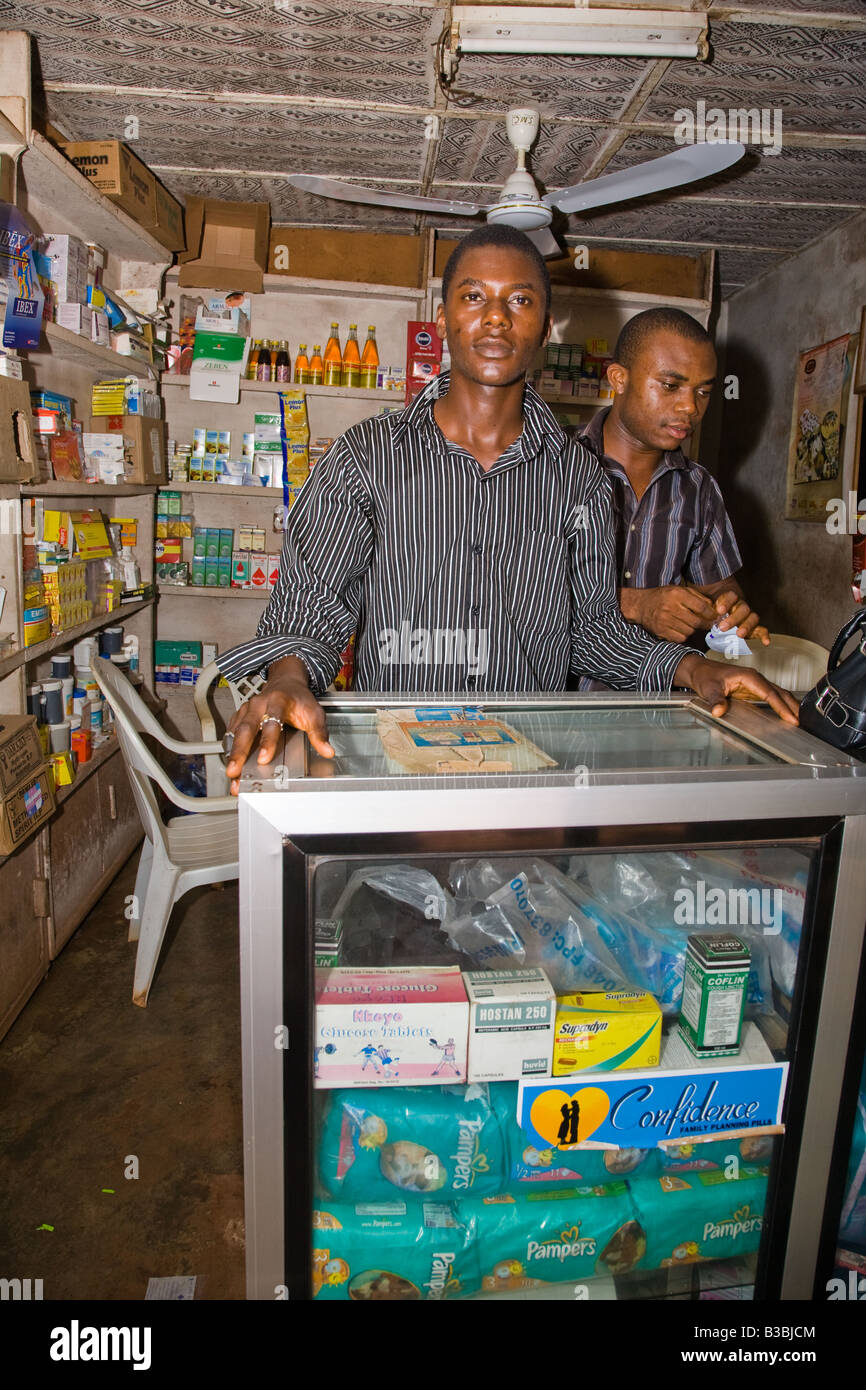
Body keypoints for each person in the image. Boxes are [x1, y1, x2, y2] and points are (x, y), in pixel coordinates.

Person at [220, 225, 798, 791]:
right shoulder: (365, 457)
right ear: (442, 319)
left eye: (519, 300)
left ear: (545, 327)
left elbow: (592, 631)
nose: (496, 316)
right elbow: (311, 605)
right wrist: (290, 678)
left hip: (528, 768)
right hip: (398, 767)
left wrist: (695, 668)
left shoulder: (579, 478)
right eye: (474, 297)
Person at [574, 308, 764, 692]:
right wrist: (638, 605)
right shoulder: (553, 466)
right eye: (671, 385)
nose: (691, 407)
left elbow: (719, 586)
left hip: (657, 705)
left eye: (704, 391)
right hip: (558, 704)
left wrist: (728, 609)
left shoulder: (697, 488)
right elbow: (509, 595)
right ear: (619, 379)